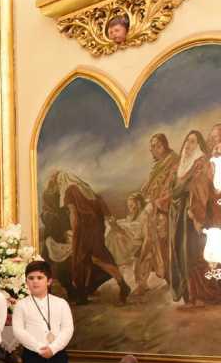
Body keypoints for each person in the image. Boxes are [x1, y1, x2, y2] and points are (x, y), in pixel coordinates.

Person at [44, 171, 130, 304]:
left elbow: (74, 216)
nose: (59, 185)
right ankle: (84, 295)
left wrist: (75, 234)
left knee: (91, 258)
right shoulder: (86, 189)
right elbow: (102, 207)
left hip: (85, 230)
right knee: (92, 258)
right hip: (97, 228)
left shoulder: (69, 192)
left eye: (59, 182)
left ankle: (122, 285)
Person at [168, 130, 221, 306]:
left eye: (193, 142)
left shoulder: (201, 163)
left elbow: (202, 190)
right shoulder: (178, 166)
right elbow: (172, 190)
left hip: (193, 216)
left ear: (199, 145)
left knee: (192, 252)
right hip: (178, 216)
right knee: (179, 252)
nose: (188, 145)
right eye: (187, 141)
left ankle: (199, 293)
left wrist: (197, 215)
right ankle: (187, 294)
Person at [133, 133, 178, 295]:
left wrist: (158, 202)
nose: (152, 150)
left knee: (160, 247)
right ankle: (142, 282)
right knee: (148, 246)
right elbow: (148, 187)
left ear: (163, 146)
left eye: (155, 146)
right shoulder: (159, 165)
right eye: (152, 146)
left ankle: (166, 279)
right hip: (152, 211)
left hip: (165, 212)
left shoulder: (174, 162)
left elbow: (173, 188)